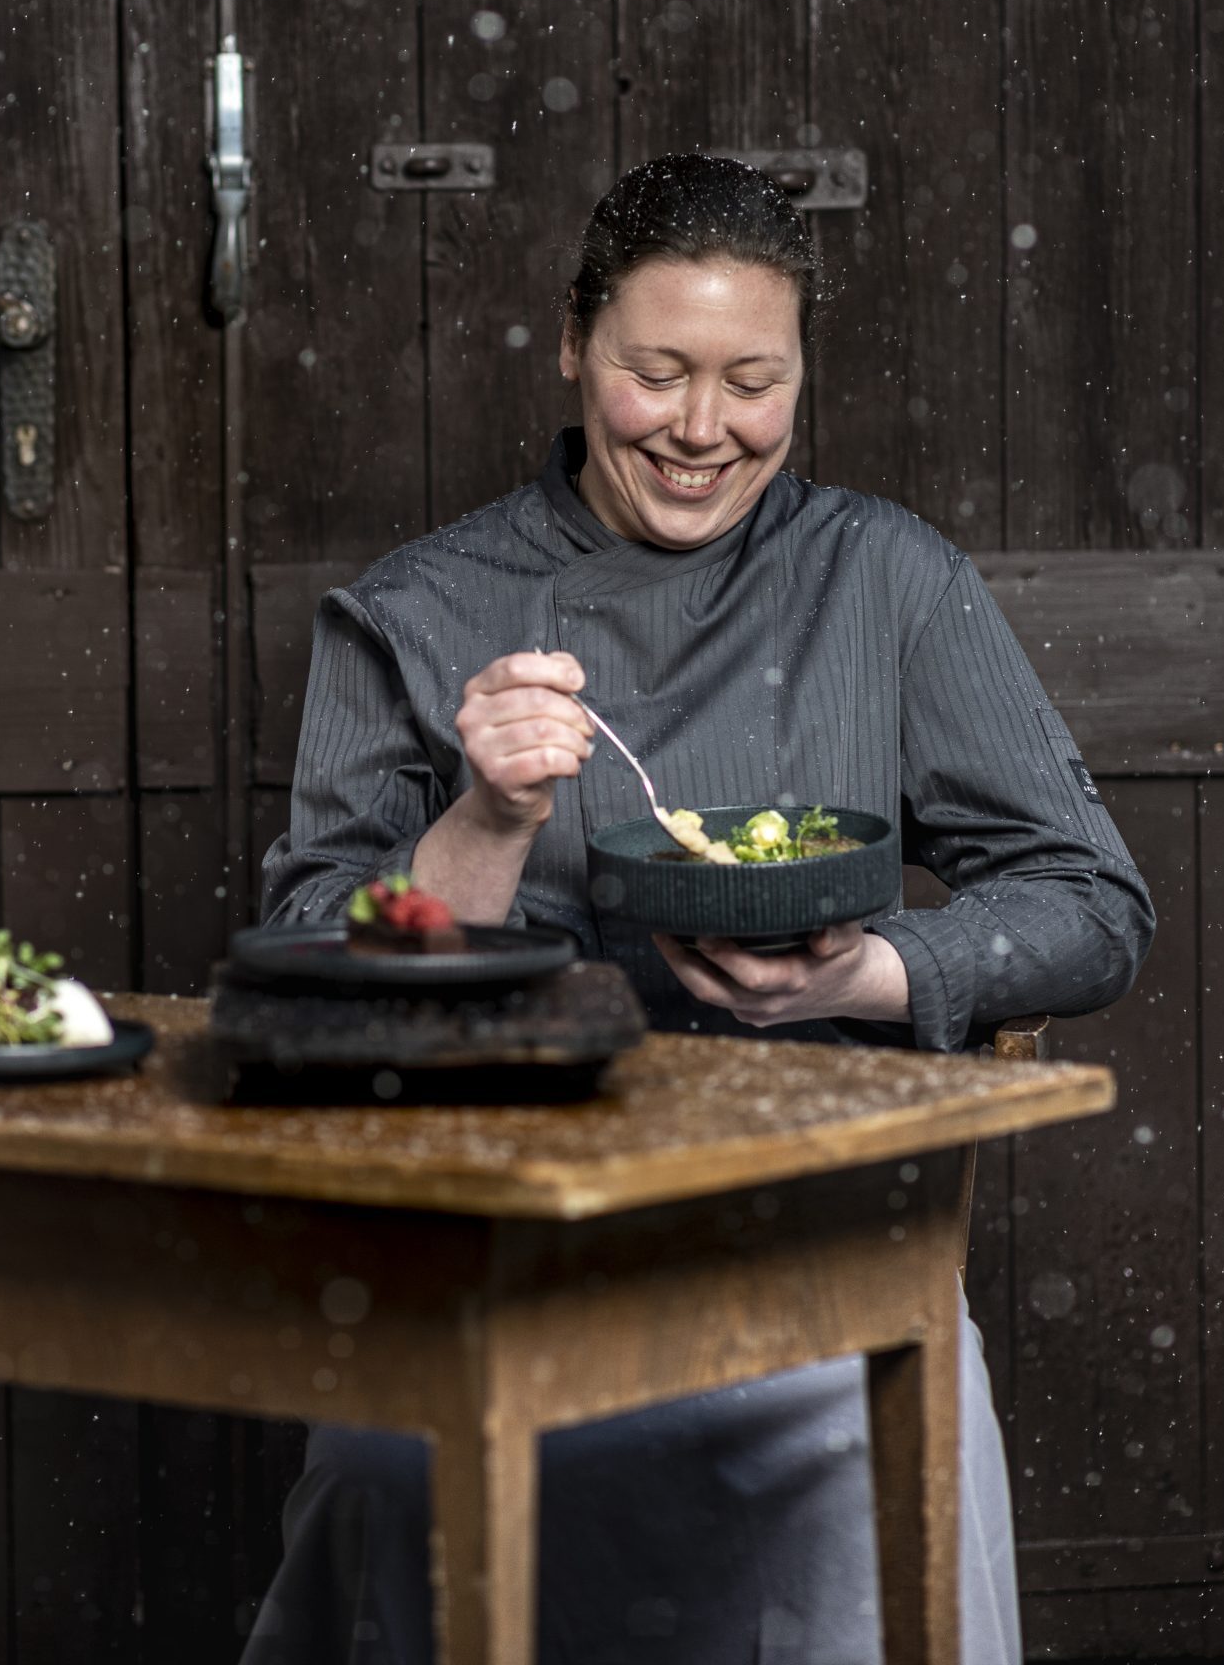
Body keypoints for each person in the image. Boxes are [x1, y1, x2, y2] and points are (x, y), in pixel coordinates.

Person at [243, 153, 1154, 1663]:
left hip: (803, 1245)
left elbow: (1092, 906)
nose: (701, 430)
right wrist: (487, 818)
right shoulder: (416, 607)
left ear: (800, 374)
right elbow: (310, 968)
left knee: (881, 1441)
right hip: (493, 1237)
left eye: (751, 380)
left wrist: (857, 978)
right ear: (571, 345)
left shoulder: (885, 580)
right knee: (377, 1466)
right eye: (654, 373)